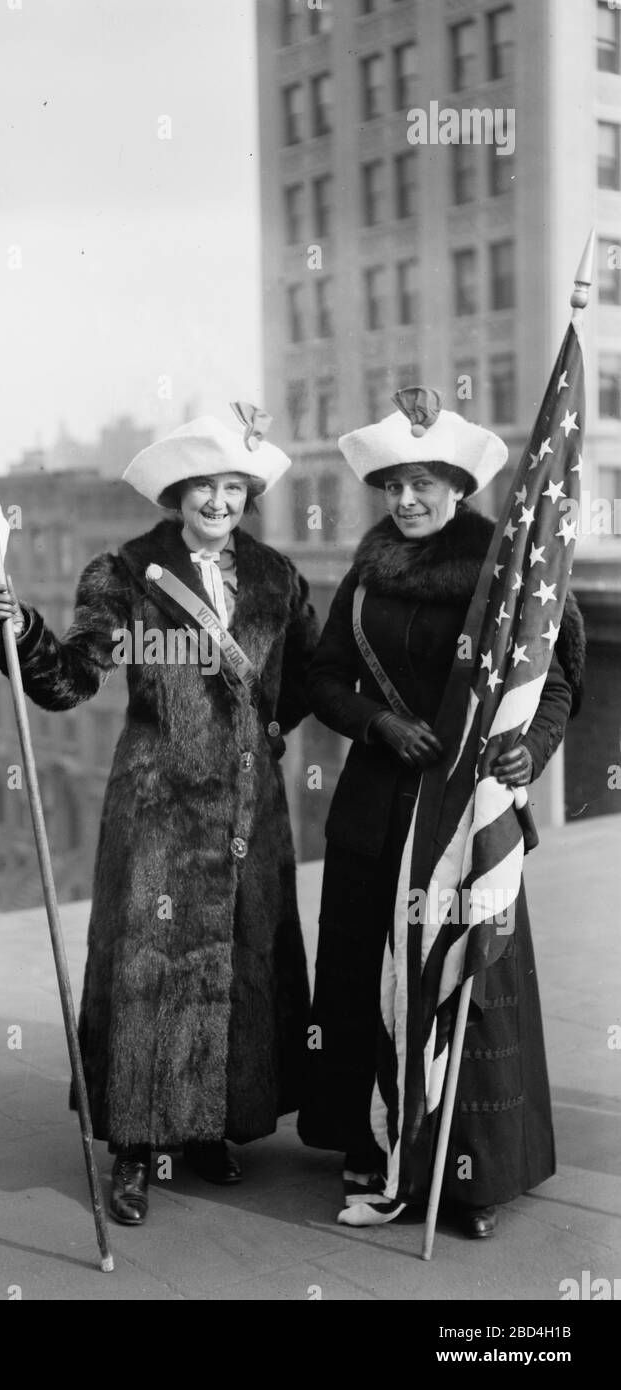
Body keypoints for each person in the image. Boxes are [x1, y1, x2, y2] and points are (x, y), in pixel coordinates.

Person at [0, 409, 320, 1226]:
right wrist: (21, 633)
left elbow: (308, 674)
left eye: (232, 486)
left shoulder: (277, 577)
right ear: (176, 493)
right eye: (202, 485)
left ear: (248, 493)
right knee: (148, 972)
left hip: (246, 810)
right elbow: (70, 680)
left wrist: (267, 731)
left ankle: (212, 1128)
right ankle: (134, 1149)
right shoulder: (125, 574)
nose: (217, 499)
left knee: (237, 963)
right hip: (159, 810)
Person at [297, 387, 585, 1239]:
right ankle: (368, 1140)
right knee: (365, 976)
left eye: (424, 483)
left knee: (465, 982)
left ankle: (473, 1172)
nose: (407, 500)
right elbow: (320, 679)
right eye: (392, 486)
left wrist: (528, 752)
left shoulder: (510, 571)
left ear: (459, 487)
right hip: (376, 812)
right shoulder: (363, 574)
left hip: (465, 817)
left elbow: (556, 680)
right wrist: (377, 722)